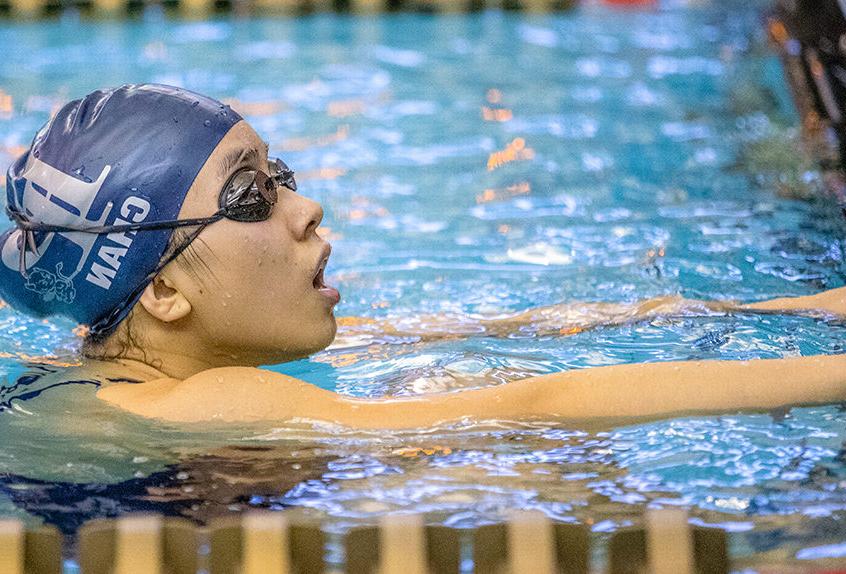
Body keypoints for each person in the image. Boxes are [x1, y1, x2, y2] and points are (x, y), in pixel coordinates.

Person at [2, 83, 846, 431]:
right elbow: (543, 403)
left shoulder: (140, 357)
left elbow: (527, 330)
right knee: (540, 477)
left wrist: (791, 312)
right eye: (251, 196)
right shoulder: (197, 403)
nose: (307, 208)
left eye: (281, 175)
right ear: (165, 291)